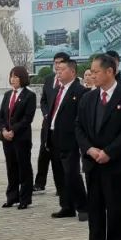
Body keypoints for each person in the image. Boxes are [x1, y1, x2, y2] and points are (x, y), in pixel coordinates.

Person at [75, 54, 121, 240]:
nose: (92, 76)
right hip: (93, 162)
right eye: (91, 72)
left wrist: (109, 151)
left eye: (96, 72)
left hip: (116, 163)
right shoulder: (88, 98)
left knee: (117, 206)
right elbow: (79, 128)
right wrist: (90, 149)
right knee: (95, 206)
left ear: (110, 71)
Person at [47, 59, 88, 221]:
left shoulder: (80, 91)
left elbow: (81, 118)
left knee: (72, 173)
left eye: (62, 69)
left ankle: (84, 207)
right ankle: (66, 206)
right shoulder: (58, 89)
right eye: (57, 69)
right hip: (53, 136)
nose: (58, 71)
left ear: (72, 72)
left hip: (70, 139)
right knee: (59, 174)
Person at [0, 66, 36, 209]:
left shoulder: (29, 96)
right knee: (11, 167)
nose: (13, 79)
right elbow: (1, 114)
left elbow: (27, 118)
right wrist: (3, 130)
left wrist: (13, 130)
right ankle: (12, 197)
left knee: (23, 167)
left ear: (23, 78)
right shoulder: (8, 95)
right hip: (7, 138)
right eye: (11, 76)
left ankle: (25, 198)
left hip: (21, 138)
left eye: (16, 76)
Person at [34, 52, 71, 193]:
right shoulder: (49, 80)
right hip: (47, 125)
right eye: (55, 62)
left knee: (59, 158)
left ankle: (61, 187)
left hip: (61, 128)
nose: (57, 65)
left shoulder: (69, 83)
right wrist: (45, 113)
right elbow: (43, 100)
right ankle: (39, 183)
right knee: (43, 153)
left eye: (60, 62)